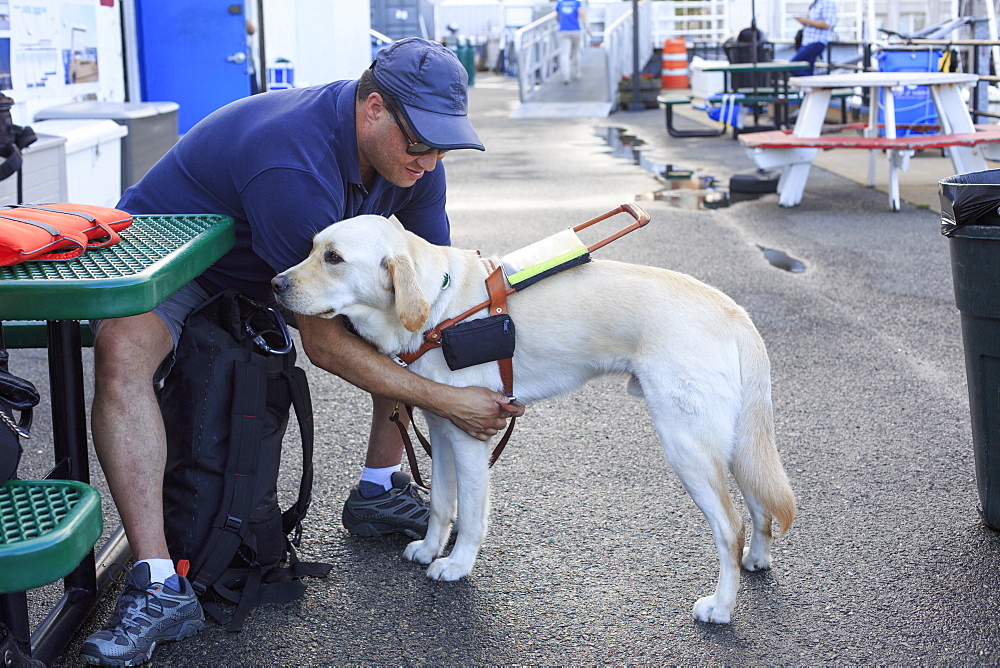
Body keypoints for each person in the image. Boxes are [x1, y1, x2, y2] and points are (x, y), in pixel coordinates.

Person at [78, 37, 523, 666]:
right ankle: (156, 583)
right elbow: (324, 344)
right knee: (121, 350)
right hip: (172, 262)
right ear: (373, 108)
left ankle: (377, 486)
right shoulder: (294, 165)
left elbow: (427, 298)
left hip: (272, 268)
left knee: (396, 315)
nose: (430, 160)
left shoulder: (415, 164)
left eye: (443, 144)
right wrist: (450, 401)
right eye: (420, 142)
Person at [792, 0, 837, 75]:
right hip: (807, 41)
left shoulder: (827, 3)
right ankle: (810, 85)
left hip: (816, 41)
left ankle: (813, 85)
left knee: (794, 65)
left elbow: (827, 24)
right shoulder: (816, 3)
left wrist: (807, 21)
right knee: (807, 69)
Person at [555, 0, 586, 84]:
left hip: (564, 30)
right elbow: (581, 14)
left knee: (565, 54)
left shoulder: (560, 3)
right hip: (575, 30)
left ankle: (565, 76)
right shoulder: (577, 3)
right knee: (576, 53)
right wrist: (586, 27)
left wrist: (560, 22)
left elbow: (557, 16)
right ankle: (577, 73)